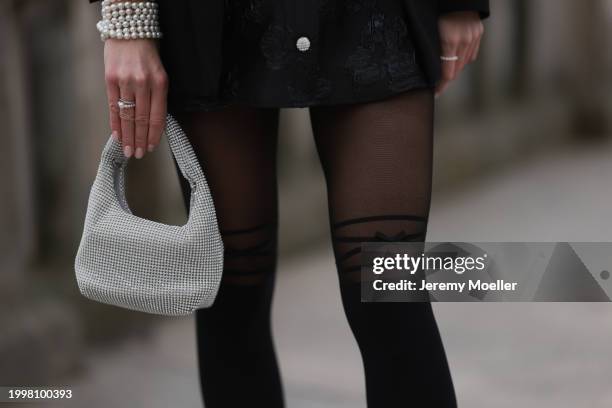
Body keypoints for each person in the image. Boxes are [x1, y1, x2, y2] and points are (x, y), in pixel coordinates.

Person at [90, 0, 489, 406]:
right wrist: (128, 25)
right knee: (232, 295)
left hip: (375, 14)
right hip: (210, 22)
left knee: (388, 292)